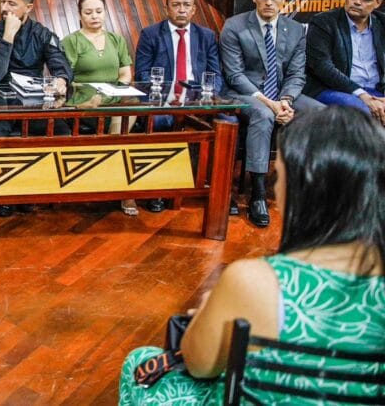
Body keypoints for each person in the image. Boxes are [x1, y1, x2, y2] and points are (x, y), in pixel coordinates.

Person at [118, 106, 385, 405]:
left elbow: (199, 364)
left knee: (140, 362)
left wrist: (209, 314)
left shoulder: (254, 282)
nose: (274, 185)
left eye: (279, 174)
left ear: (303, 189)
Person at [220, 0, 322, 228]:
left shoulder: (296, 29)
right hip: (246, 93)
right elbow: (234, 74)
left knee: (320, 112)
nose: (268, 3)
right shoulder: (235, 25)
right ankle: (258, 194)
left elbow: (297, 73)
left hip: (283, 94)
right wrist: (270, 103)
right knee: (263, 115)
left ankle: (309, 187)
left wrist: (286, 100)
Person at [0, 0, 72, 217]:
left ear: (28, 7)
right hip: (0, 100)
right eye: (3, 2)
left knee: (60, 130)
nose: (4, 8)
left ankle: (33, 188)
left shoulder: (42, 33)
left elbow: (61, 65)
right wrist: (8, 36)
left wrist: (61, 79)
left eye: (12, 4)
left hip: (32, 100)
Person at [135, 0, 222, 211]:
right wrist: (161, 96)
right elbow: (142, 75)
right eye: (176, 5)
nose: (181, 10)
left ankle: (217, 190)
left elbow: (216, 74)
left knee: (226, 124)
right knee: (161, 120)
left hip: (197, 99)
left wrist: (209, 96)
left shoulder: (206, 36)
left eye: (186, 5)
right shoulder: (151, 34)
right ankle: (159, 189)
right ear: (167, 9)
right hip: (163, 99)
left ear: (193, 10)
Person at [61, 0, 138, 217]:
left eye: (99, 11)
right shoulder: (71, 41)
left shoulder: (117, 39)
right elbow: (67, 79)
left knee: (129, 109)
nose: (94, 16)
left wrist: (115, 88)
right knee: (124, 131)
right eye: (88, 12)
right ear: (80, 15)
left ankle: (110, 157)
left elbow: (125, 74)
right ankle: (124, 189)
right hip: (83, 99)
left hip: (114, 96)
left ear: (105, 12)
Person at [303, 0, 385, 124]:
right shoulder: (324, 22)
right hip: (335, 89)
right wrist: (362, 94)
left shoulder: (382, 23)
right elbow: (322, 66)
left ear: (378, 2)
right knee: (361, 111)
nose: (357, 2)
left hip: (376, 91)